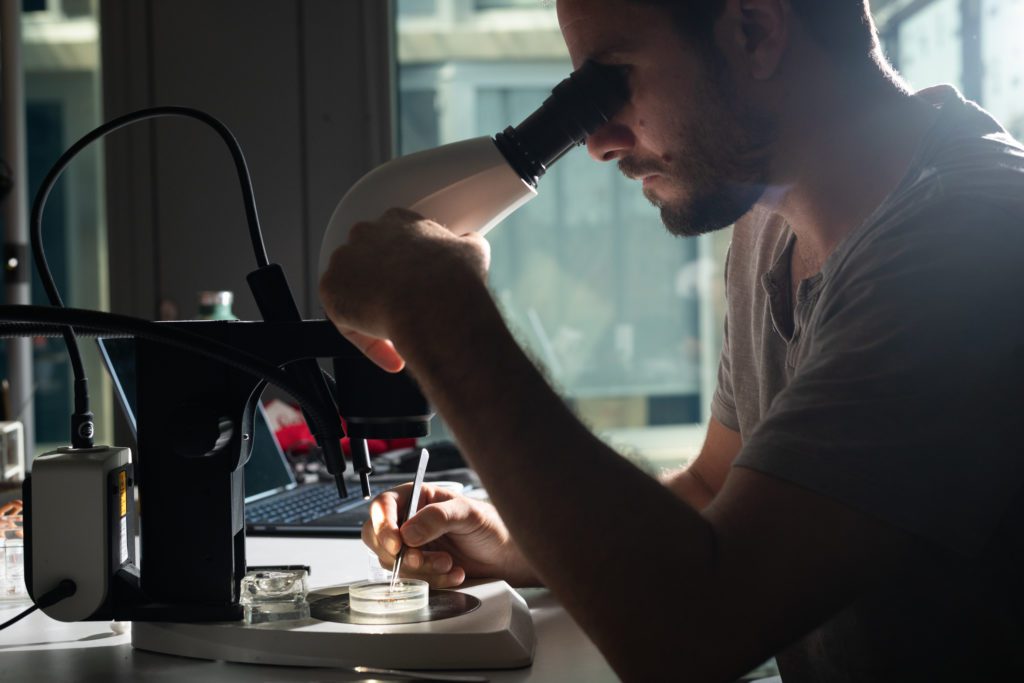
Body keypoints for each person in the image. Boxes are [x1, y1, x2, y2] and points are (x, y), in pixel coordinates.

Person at [319, 0, 1024, 680]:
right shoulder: (771, 220)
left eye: (612, 80)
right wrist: (517, 540)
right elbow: (714, 488)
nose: (598, 142)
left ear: (754, 28)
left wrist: (440, 307)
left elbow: (691, 634)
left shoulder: (971, 243)